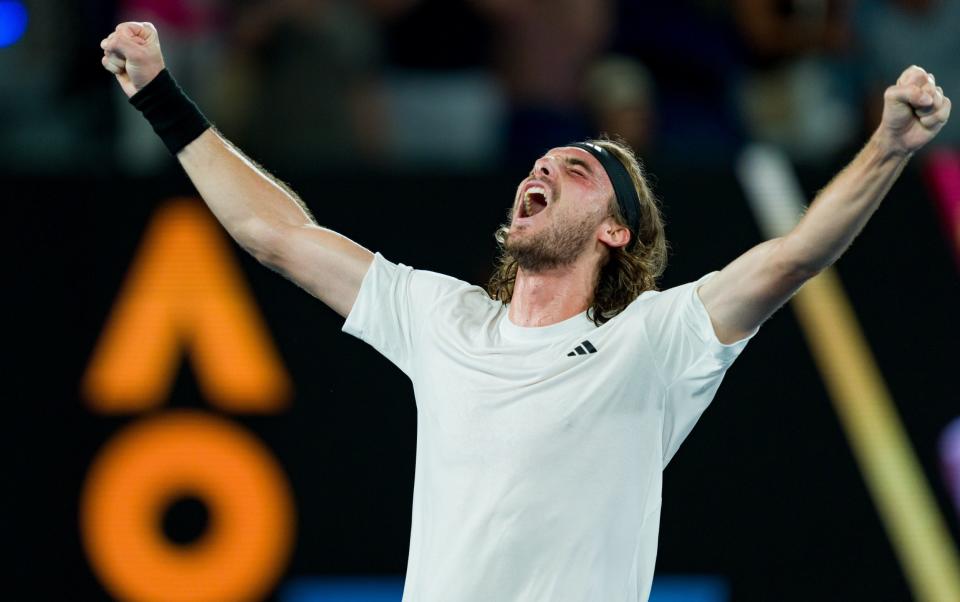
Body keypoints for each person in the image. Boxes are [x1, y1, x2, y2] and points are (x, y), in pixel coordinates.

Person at [100, 21, 950, 602]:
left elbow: (797, 254)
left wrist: (888, 147)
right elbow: (277, 233)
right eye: (541, 162)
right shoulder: (444, 320)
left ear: (616, 229)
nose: (541, 169)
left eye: (576, 169)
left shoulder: (654, 342)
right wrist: (161, 96)